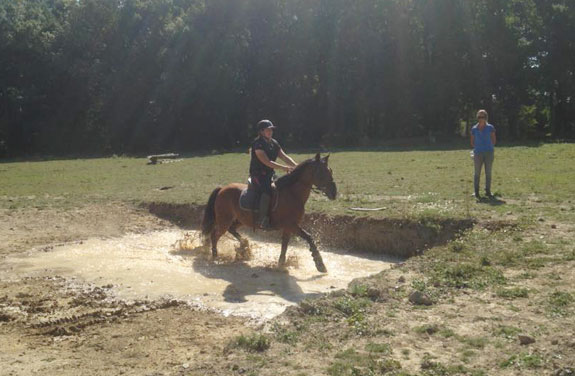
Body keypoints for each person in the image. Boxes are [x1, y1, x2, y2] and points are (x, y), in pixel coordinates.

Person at [250, 119, 297, 228]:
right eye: (268, 130)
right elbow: (267, 162)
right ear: (261, 132)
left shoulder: (274, 143)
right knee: (267, 190)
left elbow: (284, 157)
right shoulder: (258, 144)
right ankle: (262, 220)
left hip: (270, 174)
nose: (270, 131)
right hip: (258, 176)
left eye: (271, 129)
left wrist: (296, 166)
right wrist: (284, 168)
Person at [470, 109, 496, 199]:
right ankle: (476, 192)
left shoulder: (490, 127)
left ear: (486, 117)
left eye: (483, 117)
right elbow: (472, 142)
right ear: (477, 118)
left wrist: (488, 147)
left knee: (488, 173)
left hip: (489, 153)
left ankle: (488, 191)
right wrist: (478, 148)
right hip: (478, 153)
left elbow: (493, 140)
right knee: (477, 173)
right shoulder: (474, 128)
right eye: (479, 117)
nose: (481, 118)